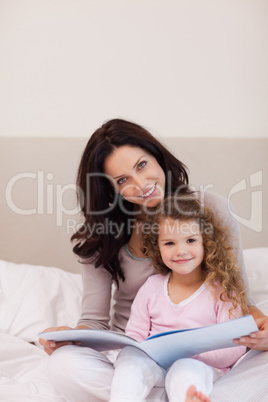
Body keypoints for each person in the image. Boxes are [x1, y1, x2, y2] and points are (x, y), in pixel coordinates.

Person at [39, 119, 268, 402]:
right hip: (137, 355)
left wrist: (260, 329)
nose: (141, 184)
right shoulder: (104, 236)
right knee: (63, 364)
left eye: (142, 165)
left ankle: (180, 392)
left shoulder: (210, 209)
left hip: (208, 359)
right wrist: (73, 337)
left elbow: (242, 299)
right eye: (122, 180)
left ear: (157, 156)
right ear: (111, 190)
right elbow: (94, 322)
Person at [110, 194, 248, 402]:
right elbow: (135, 336)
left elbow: (234, 349)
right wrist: (143, 351)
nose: (180, 251)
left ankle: (189, 397)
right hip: (155, 365)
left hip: (201, 367)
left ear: (206, 242)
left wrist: (188, 352)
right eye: (169, 243)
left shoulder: (223, 291)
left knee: (184, 368)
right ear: (157, 246)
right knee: (129, 357)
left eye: (191, 240)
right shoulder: (151, 288)